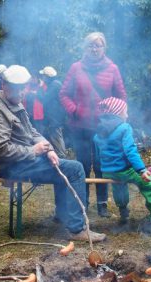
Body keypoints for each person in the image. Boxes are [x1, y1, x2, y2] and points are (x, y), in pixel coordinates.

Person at [0, 65, 106, 242]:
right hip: (7, 166)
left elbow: (32, 132)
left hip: (20, 161)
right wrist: (34, 151)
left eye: (23, 87)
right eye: (17, 88)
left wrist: (48, 148)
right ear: (4, 85)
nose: (21, 92)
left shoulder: (13, 103)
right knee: (75, 169)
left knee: (61, 164)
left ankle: (64, 217)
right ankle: (77, 229)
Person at [60, 32, 127, 217]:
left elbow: (121, 97)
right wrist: (74, 109)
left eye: (98, 45)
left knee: (101, 165)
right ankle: (83, 203)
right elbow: (64, 94)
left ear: (104, 48)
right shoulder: (76, 68)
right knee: (82, 165)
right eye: (91, 45)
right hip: (79, 127)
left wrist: (112, 117)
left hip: (103, 128)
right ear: (85, 48)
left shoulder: (112, 69)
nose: (94, 49)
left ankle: (102, 205)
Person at [93, 97, 151, 236]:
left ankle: (123, 214)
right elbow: (130, 151)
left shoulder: (97, 132)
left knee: (119, 185)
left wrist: (104, 169)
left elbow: (97, 155)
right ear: (117, 113)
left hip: (108, 172)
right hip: (124, 170)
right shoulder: (124, 128)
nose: (127, 115)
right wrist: (142, 170)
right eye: (125, 112)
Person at [39, 66, 67, 158]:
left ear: (47, 77)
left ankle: (62, 157)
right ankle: (60, 156)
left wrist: (38, 90)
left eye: (43, 76)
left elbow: (44, 99)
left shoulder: (55, 85)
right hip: (54, 118)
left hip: (55, 118)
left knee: (57, 138)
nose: (42, 78)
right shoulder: (54, 84)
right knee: (55, 137)